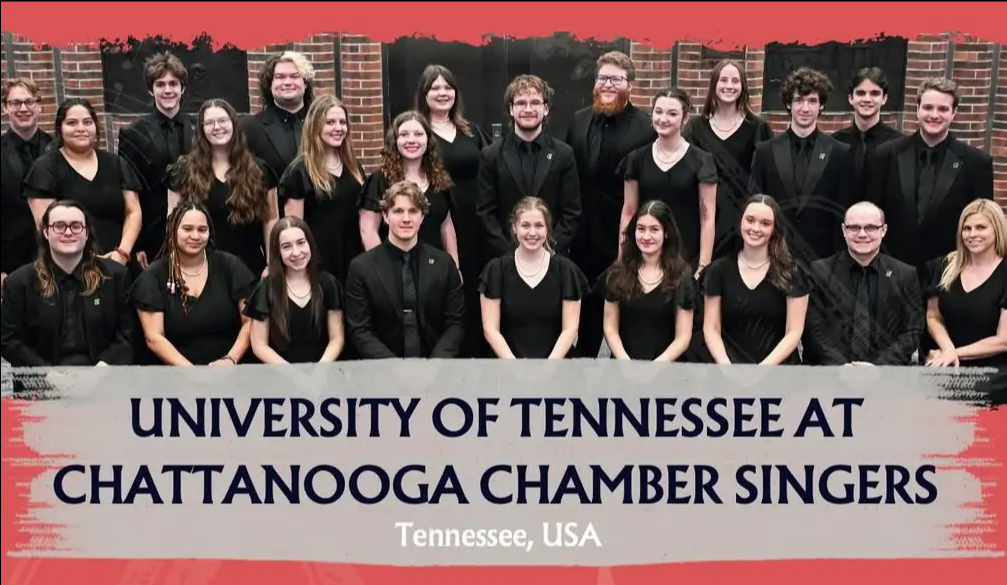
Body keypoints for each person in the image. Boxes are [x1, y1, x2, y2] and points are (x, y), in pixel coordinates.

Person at [566, 51, 656, 358]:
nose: (607, 84)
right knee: (584, 314)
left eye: (616, 79)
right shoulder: (578, 121)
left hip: (623, 236)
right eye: (602, 78)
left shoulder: (646, 128)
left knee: (625, 313)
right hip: (580, 237)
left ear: (630, 85)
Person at [868, 78, 995, 280]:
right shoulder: (886, 155)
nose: (934, 115)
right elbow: (872, 212)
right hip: (891, 274)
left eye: (943, 109)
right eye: (927, 107)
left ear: (954, 113)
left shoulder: (977, 163)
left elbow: (984, 224)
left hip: (950, 275)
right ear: (917, 110)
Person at [414, 64, 492, 357]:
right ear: (424, 94)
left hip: (475, 222)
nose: (442, 93)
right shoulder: (417, 132)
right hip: (440, 220)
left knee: (474, 286)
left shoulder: (471, 131)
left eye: (448, 87)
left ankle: (477, 350)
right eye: (435, 87)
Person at [1, 199, 137, 367]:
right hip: (42, 383)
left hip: (104, 377)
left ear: (86, 232)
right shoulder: (19, 283)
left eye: (76, 226)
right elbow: (9, 341)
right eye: (59, 226)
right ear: (45, 232)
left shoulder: (116, 276)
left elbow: (128, 334)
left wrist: (103, 368)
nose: (68, 232)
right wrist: (48, 375)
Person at [344, 180, 465, 359]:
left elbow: (455, 324)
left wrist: (432, 368)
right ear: (385, 216)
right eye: (398, 211)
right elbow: (360, 330)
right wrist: (396, 369)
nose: (406, 219)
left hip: (436, 372)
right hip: (382, 374)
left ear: (422, 216)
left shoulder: (444, 264)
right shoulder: (362, 268)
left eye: (413, 211)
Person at [748, 67, 853, 265]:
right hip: (774, 257)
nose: (805, 108)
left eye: (812, 101)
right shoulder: (765, 152)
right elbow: (755, 207)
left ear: (822, 105)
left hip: (823, 261)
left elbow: (842, 213)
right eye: (798, 100)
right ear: (789, 104)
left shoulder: (840, 153)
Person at [131, 201, 257, 366]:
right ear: (172, 230)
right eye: (188, 229)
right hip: (177, 374)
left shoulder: (230, 266)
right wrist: (194, 373)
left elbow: (250, 322)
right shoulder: (153, 277)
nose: (196, 236)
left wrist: (230, 359)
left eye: (202, 230)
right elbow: (154, 338)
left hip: (230, 369)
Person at [167, 98, 279, 277]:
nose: (217, 127)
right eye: (209, 123)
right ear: (201, 129)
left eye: (222, 120)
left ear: (234, 123)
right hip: (200, 268)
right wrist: (176, 260)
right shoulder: (183, 171)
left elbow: (271, 220)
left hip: (249, 268)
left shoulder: (260, 171)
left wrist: (272, 263)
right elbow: (172, 219)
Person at [803, 201, 924, 366]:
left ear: (883, 230)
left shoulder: (905, 275)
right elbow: (813, 328)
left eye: (870, 228)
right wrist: (841, 368)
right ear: (844, 230)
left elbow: (912, 331)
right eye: (854, 227)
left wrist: (878, 369)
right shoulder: (820, 271)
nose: (862, 234)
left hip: (886, 378)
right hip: (828, 376)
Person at [24, 97, 143, 265]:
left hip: (119, 264)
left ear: (96, 126)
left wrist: (122, 253)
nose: (81, 128)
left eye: (87, 122)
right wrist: (88, 258)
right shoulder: (45, 168)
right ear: (60, 128)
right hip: (69, 265)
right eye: (72, 123)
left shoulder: (116, 163)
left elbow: (133, 212)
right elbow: (47, 225)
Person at [476, 74, 581, 259]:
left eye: (535, 103)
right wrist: (511, 254)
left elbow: (572, 212)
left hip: (552, 258)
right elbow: (485, 214)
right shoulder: (491, 155)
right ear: (511, 108)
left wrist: (548, 249)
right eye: (521, 103)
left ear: (546, 108)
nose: (528, 109)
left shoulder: (564, 154)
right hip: (505, 260)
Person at [683, 59, 775, 261]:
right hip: (702, 218)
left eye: (735, 81)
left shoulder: (758, 128)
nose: (729, 86)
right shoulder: (695, 128)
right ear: (714, 84)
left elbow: (767, 179)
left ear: (743, 87)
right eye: (723, 80)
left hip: (743, 222)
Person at [703, 194, 810, 365]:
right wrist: (725, 366)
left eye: (765, 223)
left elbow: (794, 332)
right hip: (728, 372)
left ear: (775, 229)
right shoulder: (718, 270)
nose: (756, 228)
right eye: (750, 220)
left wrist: (762, 369)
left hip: (779, 374)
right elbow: (711, 328)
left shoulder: (792, 273)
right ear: (741, 222)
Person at [479, 197, 589, 359]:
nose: (532, 233)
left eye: (539, 225)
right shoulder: (496, 271)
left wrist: (546, 369)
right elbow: (490, 330)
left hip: (556, 366)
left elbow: (570, 330)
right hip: (507, 367)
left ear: (547, 229)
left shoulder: (566, 271)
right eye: (525, 225)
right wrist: (517, 368)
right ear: (514, 228)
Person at [278, 93, 366, 286]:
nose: (338, 128)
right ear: (315, 125)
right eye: (330, 122)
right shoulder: (298, 172)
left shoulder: (353, 167)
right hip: (320, 264)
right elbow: (294, 229)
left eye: (342, 122)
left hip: (355, 259)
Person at [116, 51, 192, 270]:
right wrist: (137, 244)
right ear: (151, 90)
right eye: (160, 84)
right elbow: (130, 189)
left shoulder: (199, 128)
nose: (167, 90)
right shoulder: (133, 133)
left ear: (182, 88)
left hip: (197, 228)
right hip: (152, 235)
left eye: (173, 83)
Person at [358, 111, 459, 267]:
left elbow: (446, 227)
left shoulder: (439, 179)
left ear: (428, 140)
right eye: (404, 134)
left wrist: (455, 268)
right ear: (395, 140)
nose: (411, 140)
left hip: (434, 269)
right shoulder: (380, 180)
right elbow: (368, 230)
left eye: (418, 134)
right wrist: (384, 270)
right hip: (394, 267)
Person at [601, 200, 696, 361]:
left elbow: (683, 337)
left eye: (654, 229)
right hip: (623, 366)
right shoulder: (617, 272)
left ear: (666, 233)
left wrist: (655, 367)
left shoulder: (682, 275)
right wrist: (625, 362)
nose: (646, 236)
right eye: (641, 229)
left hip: (666, 368)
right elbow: (610, 327)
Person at [244, 217, 345, 364]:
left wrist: (319, 371)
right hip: (281, 375)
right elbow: (259, 346)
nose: (296, 253)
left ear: (310, 243)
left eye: (301, 243)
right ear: (277, 252)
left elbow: (337, 338)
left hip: (323, 373)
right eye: (286, 246)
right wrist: (296, 375)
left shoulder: (329, 284)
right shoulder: (266, 289)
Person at [924, 199, 1006, 369]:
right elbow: (933, 316)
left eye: (981, 227)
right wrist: (948, 349)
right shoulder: (945, 265)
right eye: (966, 228)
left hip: (994, 371)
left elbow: (1003, 340)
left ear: (997, 230)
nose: (972, 234)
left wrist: (952, 353)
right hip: (947, 363)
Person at [2, 77, 53, 288]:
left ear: (39, 106)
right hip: (10, 262)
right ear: (5, 108)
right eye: (15, 103)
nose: (23, 108)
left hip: (58, 258)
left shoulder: (59, 149)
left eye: (29, 102)